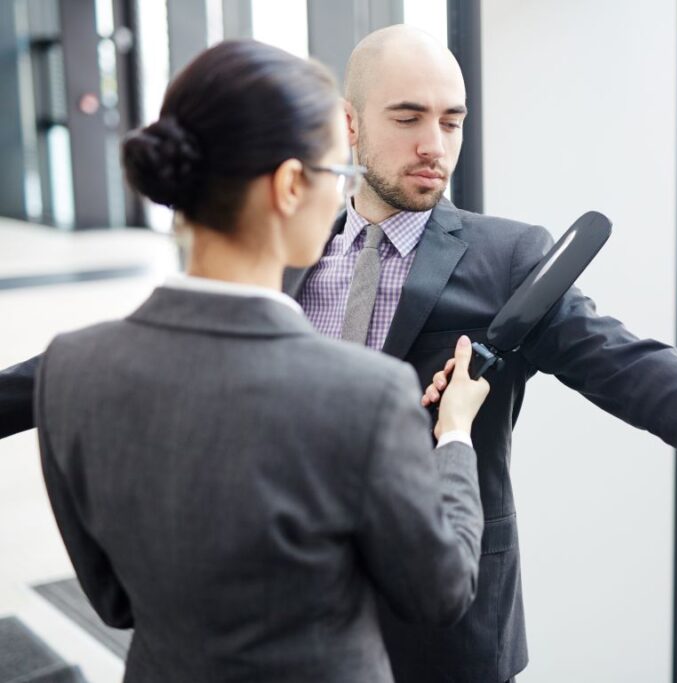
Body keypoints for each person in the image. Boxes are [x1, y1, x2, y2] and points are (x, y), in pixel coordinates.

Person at [1, 26, 677, 683]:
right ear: (348, 126)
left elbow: (643, 371)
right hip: (281, 618)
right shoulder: (272, 242)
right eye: (409, 118)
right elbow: (135, 360)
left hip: (443, 624)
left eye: (453, 119)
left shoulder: (509, 257)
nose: (437, 145)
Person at [33, 40, 490, 682]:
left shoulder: (70, 369)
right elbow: (440, 593)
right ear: (290, 185)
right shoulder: (363, 394)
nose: (342, 198)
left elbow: (112, 601)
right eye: (337, 175)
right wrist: (454, 438)